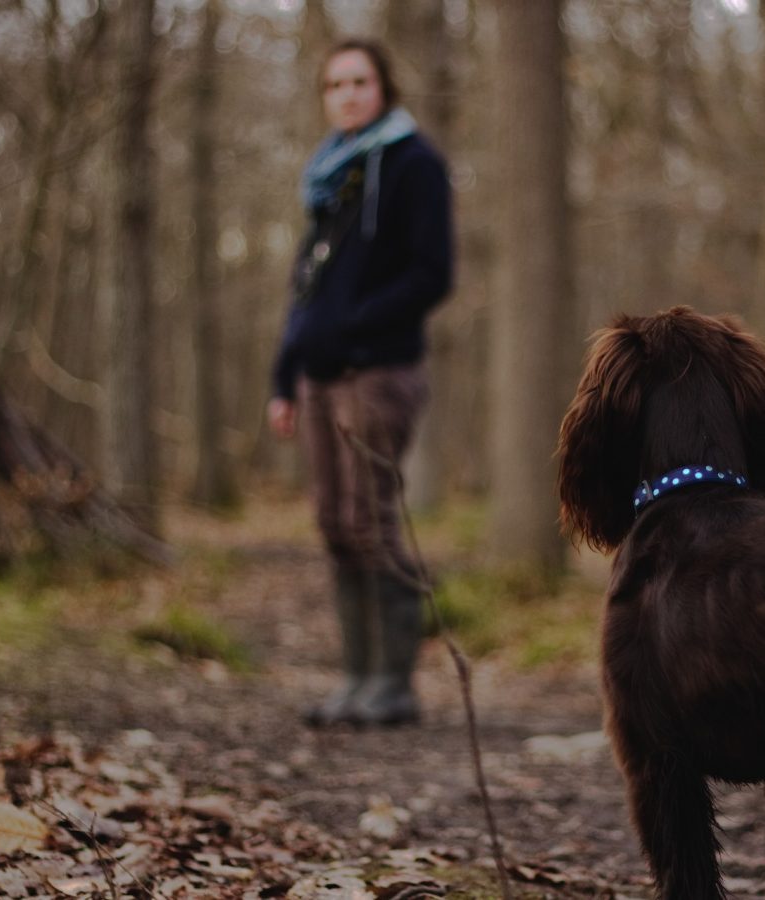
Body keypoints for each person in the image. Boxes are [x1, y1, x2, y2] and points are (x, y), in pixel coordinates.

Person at [268, 38, 453, 728]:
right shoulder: (329, 177)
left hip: (378, 372)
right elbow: (304, 289)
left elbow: (432, 274)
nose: (346, 93)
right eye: (335, 83)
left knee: (373, 522)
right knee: (334, 523)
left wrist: (354, 325)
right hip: (316, 378)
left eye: (359, 80)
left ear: (384, 87)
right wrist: (283, 377)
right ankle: (355, 677)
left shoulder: (413, 165)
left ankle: (393, 683)